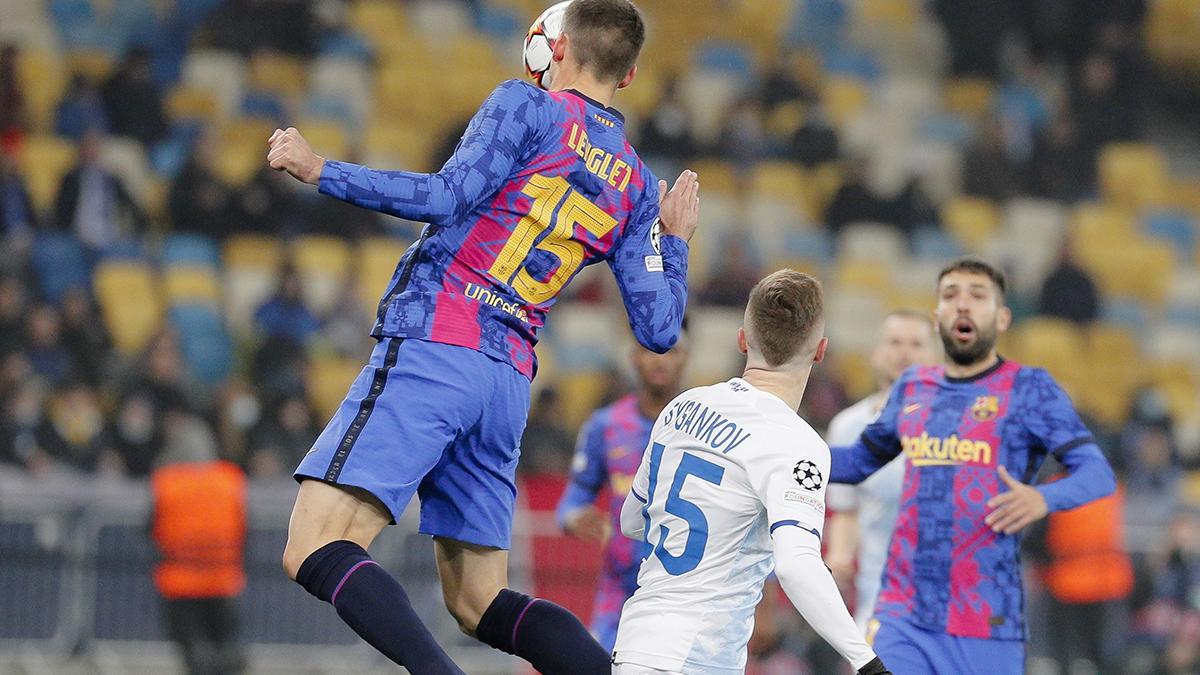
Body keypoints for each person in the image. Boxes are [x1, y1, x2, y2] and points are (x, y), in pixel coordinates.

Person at [265, 1, 698, 673]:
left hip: (440, 338)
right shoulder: (639, 186)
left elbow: (446, 196)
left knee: (314, 542)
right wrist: (673, 247)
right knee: (477, 599)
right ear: (632, 75)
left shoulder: (526, 106)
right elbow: (660, 328)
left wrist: (325, 170)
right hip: (506, 381)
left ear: (554, 51)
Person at [829, 256, 1117, 675]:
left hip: (986, 623)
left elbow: (1097, 474)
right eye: (950, 295)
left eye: (977, 296)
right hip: (902, 616)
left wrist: (1043, 497)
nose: (962, 304)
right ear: (938, 316)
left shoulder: (1030, 389)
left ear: (1002, 318)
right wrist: (790, 448)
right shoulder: (913, 387)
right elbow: (856, 462)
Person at [612, 270, 888, 675]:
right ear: (820, 350)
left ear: (742, 340)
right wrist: (868, 664)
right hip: (695, 656)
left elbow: (632, 520)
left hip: (636, 643)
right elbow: (798, 566)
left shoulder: (683, 405)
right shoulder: (797, 442)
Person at [556, 329, 690, 651]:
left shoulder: (703, 428)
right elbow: (573, 499)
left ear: (686, 358)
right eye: (650, 351)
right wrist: (574, 518)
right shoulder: (606, 425)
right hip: (619, 590)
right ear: (633, 358)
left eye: (671, 352)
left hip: (684, 589)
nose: (660, 360)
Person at [824, 310, 936, 631]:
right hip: (880, 602)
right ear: (876, 352)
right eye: (895, 342)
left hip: (948, 604)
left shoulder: (959, 427)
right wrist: (839, 559)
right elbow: (846, 510)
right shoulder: (848, 427)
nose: (904, 352)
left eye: (916, 344)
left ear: (933, 357)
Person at [150, 406, 247, 675]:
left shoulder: (167, 481)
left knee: (193, 650)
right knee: (224, 644)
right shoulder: (230, 478)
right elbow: (242, 526)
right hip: (223, 578)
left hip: (180, 580)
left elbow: (152, 527)